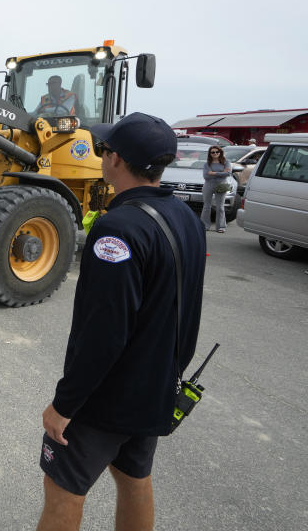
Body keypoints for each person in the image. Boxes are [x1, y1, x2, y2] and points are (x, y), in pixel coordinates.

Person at [36, 112, 206, 531]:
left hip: (107, 399)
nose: (100, 155)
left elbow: (104, 332)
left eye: (104, 149)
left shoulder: (118, 228)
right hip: (158, 389)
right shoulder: (186, 217)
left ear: (115, 159)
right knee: (134, 479)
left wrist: (65, 405)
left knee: (64, 490)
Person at [200, 146, 232, 233]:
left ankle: (221, 227)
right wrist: (221, 173)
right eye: (213, 152)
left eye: (217, 152)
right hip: (208, 185)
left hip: (222, 185)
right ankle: (205, 225)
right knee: (206, 206)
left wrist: (213, 173)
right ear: (210, 154)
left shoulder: (226, 162)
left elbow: (228, 173)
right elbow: (206, 176)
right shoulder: (207, 164)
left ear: (220, 152)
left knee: (220, 207)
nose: (215, 154)